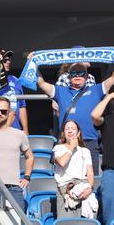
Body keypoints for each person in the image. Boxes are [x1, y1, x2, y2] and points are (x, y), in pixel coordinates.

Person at [37, 62, 114, 175]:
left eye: (81, 72)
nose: (77, 75)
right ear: (69, 76)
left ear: (87, 76)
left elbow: (112, 79)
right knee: (66, 182)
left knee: (90, 183)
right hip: (67, 143)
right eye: (74, 73)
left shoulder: (96, 89)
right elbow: (41, 83)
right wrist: (34, 64)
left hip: (89, 143)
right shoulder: (60, 91)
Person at [0, 97, 34, 211]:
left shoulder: (19, 134)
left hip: (14, 189)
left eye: (3, 111)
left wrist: (27, 177)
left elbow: (30, 156)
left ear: (9, 113)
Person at [53, 119, 95, 218]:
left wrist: (89, 189)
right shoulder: (58, 148)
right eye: (67, 129)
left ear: (78, 132)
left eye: (73, 128)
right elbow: (62, 162)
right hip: (66, 190)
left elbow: (90, 173)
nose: (70, 131)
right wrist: (71, 147)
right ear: (63, 133)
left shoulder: (85, 151)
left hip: (83, 189)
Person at [91, 86, 114, 225]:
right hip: (111, 170)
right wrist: (110, 97)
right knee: (109, 217)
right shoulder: (108, 115)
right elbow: (94, 115)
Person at [0, 49, 29, 134]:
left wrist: (25, 130)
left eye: (9, 59)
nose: (8, 62)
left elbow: (22, 106)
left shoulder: (15, 80)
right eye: (5, 60)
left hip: (16, 130)